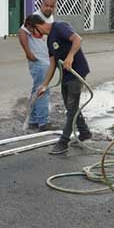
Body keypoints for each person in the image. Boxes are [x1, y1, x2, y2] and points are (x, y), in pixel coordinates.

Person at [26, 13, 92, 155]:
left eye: (32, 31)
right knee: (70, 106)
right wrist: (44, 85)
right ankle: (85, 132)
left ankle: (63, 142)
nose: (33, 34)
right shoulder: (49, 41)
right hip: (66, 75)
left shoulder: (60, 26)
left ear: (37, 26)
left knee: (71, 107)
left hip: (77, 71)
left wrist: (70, 56)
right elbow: (52, 64)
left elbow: (77, 39)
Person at [18, 0, 55, 130]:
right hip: (38, 61)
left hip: (46, 60)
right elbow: (22, 32)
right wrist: (28, 53)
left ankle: (33, 120)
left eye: (51, 6)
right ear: (41, 4)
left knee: (37, 90)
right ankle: (43, 122)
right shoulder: (35, 17)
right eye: (46, 5)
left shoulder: (49, 18)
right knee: (43, 89)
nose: (48, 8)